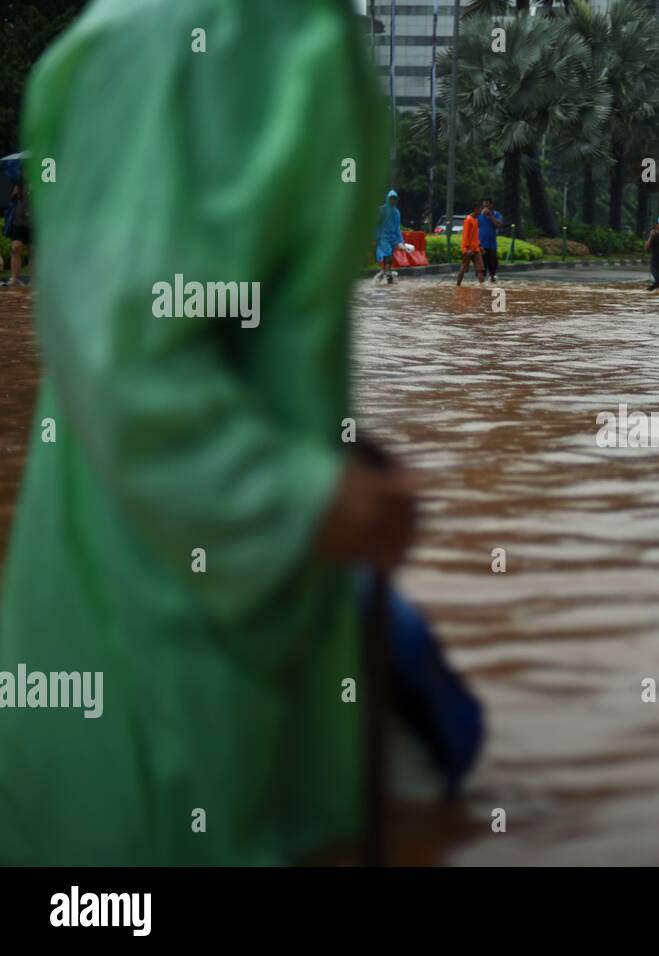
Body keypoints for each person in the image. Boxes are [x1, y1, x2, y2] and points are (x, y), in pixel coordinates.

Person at [0, 0, 480, 866]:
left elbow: (204, 329)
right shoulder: (232, 27)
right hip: (175, 671)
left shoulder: (245, 25)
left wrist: (326, 464)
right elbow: (130, 357)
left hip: (188, 632)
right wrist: (305, 499)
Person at [1, 180, 32, 286]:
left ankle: (35, 279)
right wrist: (13, 193)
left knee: (33, 251)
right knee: (15, 248)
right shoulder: (17, 182)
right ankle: (14, 278)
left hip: (34, 223)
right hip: (18, 222)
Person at [375, 189, 402, 283]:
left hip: (392, 238)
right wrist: (376, 235)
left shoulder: (397, 212)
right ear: (388, 199)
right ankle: (389, 278)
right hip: (383, 237)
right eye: (391, 199)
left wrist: (400, 241)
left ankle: (382, 274)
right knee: (388, 255)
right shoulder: (381, 210)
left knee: (390, 258)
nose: (393, 201)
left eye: (394, 199)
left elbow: (397, 227)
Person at [456, 201, 484, 286]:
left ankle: (481, 286)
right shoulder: (468, 220)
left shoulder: (475, 220)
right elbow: (465, 235)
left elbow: (475, 236)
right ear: (475, 209)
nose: (481, 211)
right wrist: (466, 249)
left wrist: (480, 246)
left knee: (480, 268)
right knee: (464, 267)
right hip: (468, 249)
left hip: (476, 249)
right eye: (480, 209)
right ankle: (458, 285)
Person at [477, 198, 503, 282]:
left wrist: (490, 216)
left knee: (492, 266)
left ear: (491, 205)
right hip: (481, 246)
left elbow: (499, 225)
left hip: (492, 245)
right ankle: (481, 284)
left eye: (487, 205)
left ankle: (492, 280)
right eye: (484, 206)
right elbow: (475, 227)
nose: (485, 207)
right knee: (481, 268)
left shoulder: (496, 214)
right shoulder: (479, 215)